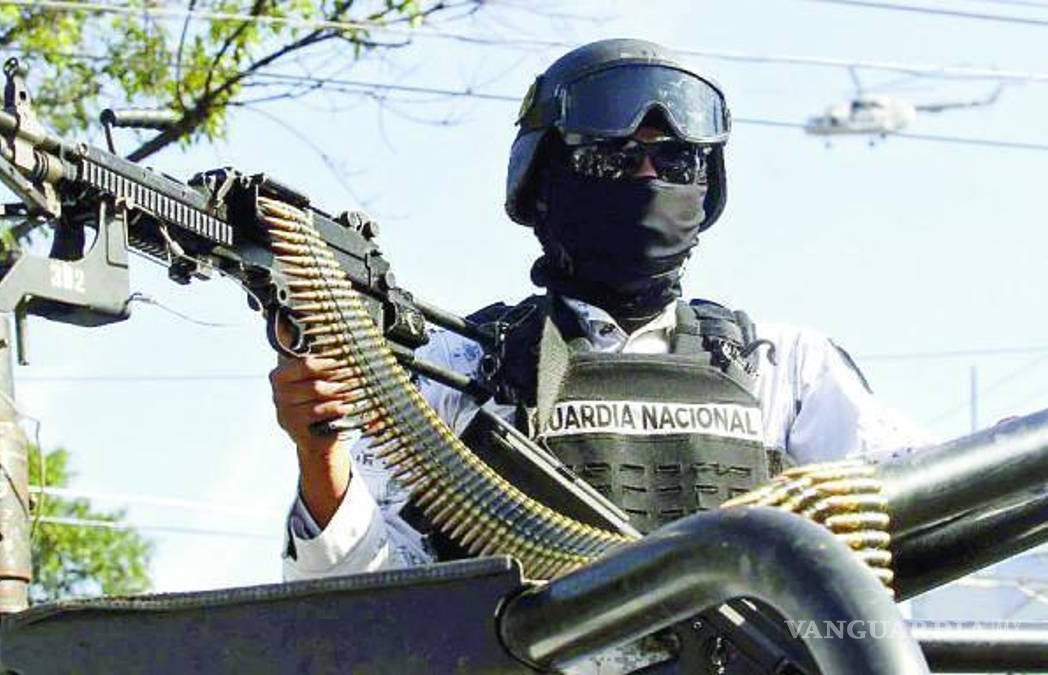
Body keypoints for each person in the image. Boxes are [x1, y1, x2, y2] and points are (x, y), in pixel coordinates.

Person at [272, 37, 922, 592]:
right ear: (545, 181)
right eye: (612, 158)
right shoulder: (457, 367)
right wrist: (320, 455)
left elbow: (927, 512)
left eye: (676, 160)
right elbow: (361, 596)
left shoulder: (786, 370)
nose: (647, 176)